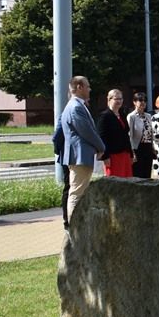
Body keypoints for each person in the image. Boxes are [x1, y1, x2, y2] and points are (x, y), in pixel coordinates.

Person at [59, 76, 106, 224]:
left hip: (81, 155)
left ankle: (78, 226)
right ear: (79, 87)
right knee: (77, 193)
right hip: (79, 156)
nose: (89, 89)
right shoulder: (75, 107)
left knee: (79, 191)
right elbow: (87, 131)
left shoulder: (77, 105)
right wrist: (102, 147)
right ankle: (75, 229)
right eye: (88, 86)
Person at [96, 88, 133, 178]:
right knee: (115, 182)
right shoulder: (104, 116)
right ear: (109, 99)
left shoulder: (122, 114)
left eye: (121, 99)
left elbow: (126, 135)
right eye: (116, 99)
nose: (119, 101)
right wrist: (105, 156)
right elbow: (102, 137)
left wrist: (131, 154)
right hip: (113, 156)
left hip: (125, 154)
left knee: (127, 182)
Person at [127, 92, 154, 179]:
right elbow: (130, 135)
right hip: (137, 148)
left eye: (145, 101)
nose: (143, 102)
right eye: (140, 100)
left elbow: (150, 133)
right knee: (138, 174)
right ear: (134, 102)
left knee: (147, 174)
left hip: (148, 147)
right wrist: (132, 153)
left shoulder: (148, 116)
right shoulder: (131, 116)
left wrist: (153, 148)